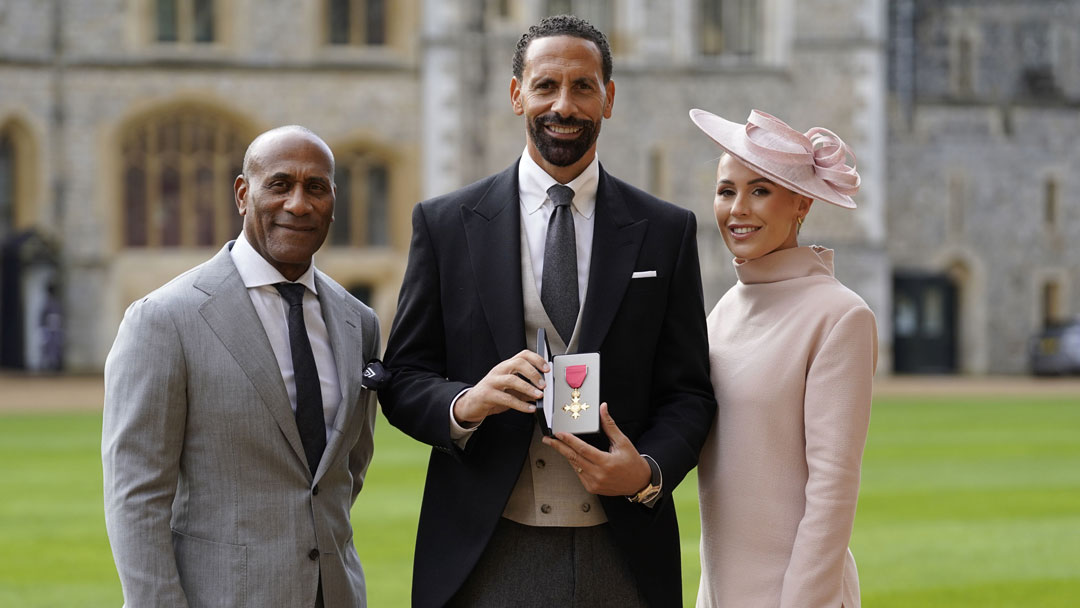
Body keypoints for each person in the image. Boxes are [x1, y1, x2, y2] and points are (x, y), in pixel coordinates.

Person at [379, 14, 716, 608]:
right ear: (517, 95)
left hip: (626, 552)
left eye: (583, 86)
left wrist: (647, 472)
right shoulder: (445, 224)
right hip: (486, 549)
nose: (564, 104)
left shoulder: (666, 231)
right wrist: (465, 403)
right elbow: (402, 378)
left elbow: (689, 392)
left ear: (608, 99)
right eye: (545, 86)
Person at [102, 126, 380, 608]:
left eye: (316, 187)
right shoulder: (165, 319)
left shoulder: (360, 322)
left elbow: (347, 470)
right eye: (279, 184)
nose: (298, 203)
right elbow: (136, 496)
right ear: (242, 193)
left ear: (333, 200)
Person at [688, 108, 878, 608]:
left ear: (801, 205)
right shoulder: (725, 308)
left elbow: (833, 490)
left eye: (760, 190)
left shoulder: (840, 315)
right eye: (727, 191)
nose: (738, 209)